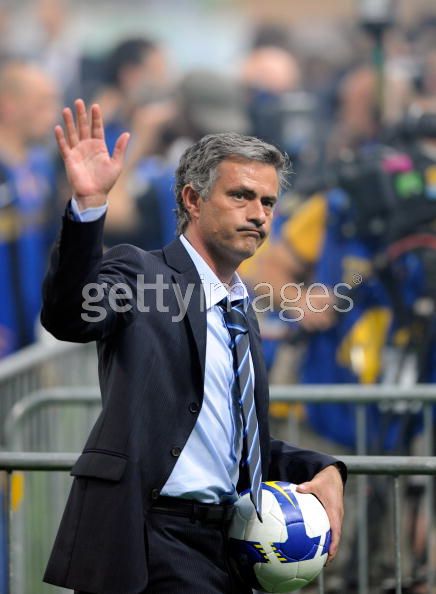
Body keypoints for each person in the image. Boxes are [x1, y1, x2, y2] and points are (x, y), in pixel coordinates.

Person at [41, 98, 346, 594]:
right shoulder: (141, 272)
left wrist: (321, 468)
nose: (258, 215)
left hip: (223, 545)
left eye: (268, 202)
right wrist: (89, 206)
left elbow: (230, 442)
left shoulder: (240, 307)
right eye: (241, 196)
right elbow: (69, 315)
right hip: (143, 539)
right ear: (193, 200)